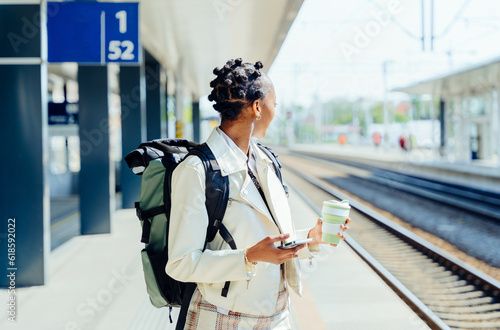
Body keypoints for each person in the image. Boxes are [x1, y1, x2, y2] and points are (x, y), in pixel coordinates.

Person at [166, 58, 350, 329]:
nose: (276, 111)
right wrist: (248, 257)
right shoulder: (196, 171)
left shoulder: (265, 160)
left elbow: (267, 243)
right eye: (274, 104)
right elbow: (180, 264)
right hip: (221, 317)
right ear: (257, 107)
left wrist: (311, 238)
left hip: (276, 315)